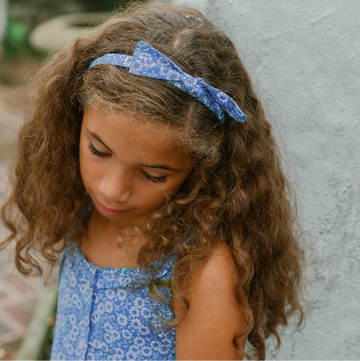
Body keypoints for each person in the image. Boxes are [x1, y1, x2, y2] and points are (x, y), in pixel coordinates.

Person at [0, 2, 306, 360]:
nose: (111, 189)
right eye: (98, 151)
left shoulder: (202, 272)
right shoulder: (80, 206)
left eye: (153, 174)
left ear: (204, 166)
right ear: (74, 121)